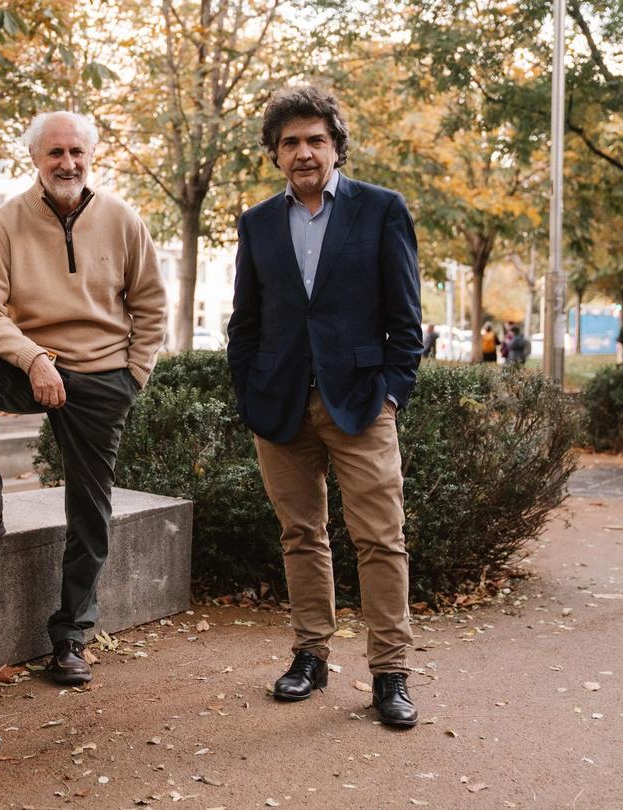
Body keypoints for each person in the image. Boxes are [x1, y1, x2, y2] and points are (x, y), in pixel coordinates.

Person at [0, 111, 167, 686]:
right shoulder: (6, 224)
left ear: (91, 157)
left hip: (101, 377)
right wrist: (34, 358)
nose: (67, 163)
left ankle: (70, 637)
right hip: (32, 367)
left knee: (90, 510)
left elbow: (150, 306)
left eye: (76, 153)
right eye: (54, 153)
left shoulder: (122, 220)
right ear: (36, 160)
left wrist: (132, 377)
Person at [226, 86, 423, 727]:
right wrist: (248, 391)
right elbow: (246, 323)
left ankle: (390, 673)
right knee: (301, 536)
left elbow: (406, 321)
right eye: (291, 143)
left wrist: (392, 391)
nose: (304, 152)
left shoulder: (382, 210)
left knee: (380, 540)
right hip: (280, 406)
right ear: (275, 155)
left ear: (336, 146)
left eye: (316, 140)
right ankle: (310, 656)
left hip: (363, 404)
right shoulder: (257, 224)